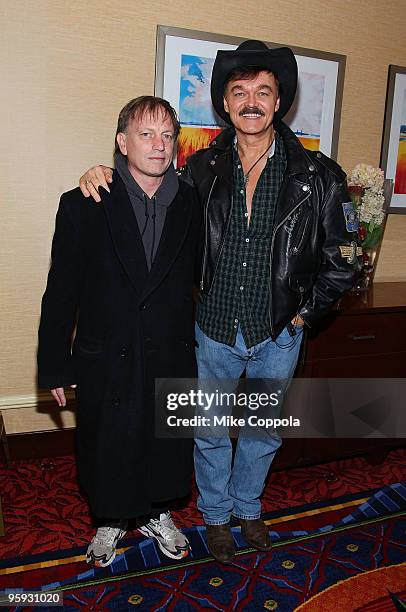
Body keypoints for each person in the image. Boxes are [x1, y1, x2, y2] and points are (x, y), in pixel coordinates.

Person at [78, 41, 360, 564]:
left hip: (279, 332)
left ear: (279, 103)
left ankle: (247, 509)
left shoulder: (320, 175)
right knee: (206, 431)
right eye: (239, 92)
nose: (250, 102)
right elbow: (149, 201)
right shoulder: (200, 169)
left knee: (261, 431)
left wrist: (302, 314)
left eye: (262, 92)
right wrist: (100, 175)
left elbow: (345, 259)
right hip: (211, 329)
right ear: (226, 105)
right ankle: (214, 515)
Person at [38, 96, 202, 567]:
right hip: (107, 353)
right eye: (146, 134)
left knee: (165, 443)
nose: (158, 145)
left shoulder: (192, 201)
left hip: (170, 351)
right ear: (121, 142)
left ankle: (158, 513)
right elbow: (60, 292)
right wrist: (53, 365)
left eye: (167, 135)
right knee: (109, 441)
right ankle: (110, 519)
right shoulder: (84, 202)